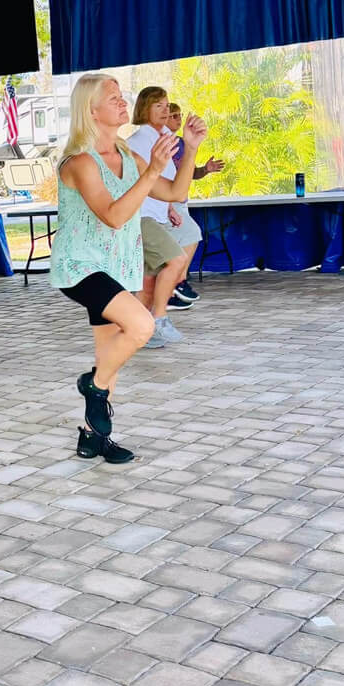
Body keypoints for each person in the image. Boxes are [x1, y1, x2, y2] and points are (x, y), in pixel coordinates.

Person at [51, 74, 206, 463]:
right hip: (81, 268)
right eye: (114, 98)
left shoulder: (127, 155)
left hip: (117, 265)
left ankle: (93, 437)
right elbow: (114, 216)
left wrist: (190, 149)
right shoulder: (79, 163)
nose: (124, 103)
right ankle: (93, 386)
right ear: (92, 110)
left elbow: (176, 193)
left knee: (111, 353)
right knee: (141, 326)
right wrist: (152, 170)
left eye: (123, 97)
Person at [126, 87, 192, 345]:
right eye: (159, 106)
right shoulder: (136, 143)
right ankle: (159, 319)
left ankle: (141, 331)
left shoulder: (165, 137)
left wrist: (169, 207)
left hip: (156, 213)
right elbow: (144, 180)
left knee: (148, 279)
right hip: (141, 216)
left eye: (167, 105)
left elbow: (162, 183)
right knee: (176, 259)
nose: (166, 111)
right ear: (144, 109)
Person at [165, 101, 225, 307]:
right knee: (190, 234)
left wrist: (206, 169)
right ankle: (174, 285)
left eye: (179, 115)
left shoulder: (183, 143)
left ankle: (174, 288)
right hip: (165, 202)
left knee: (187, 239)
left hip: (180, 202)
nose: (178, 119)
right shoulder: (159, 143)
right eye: (173, 115)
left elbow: (190, 174)